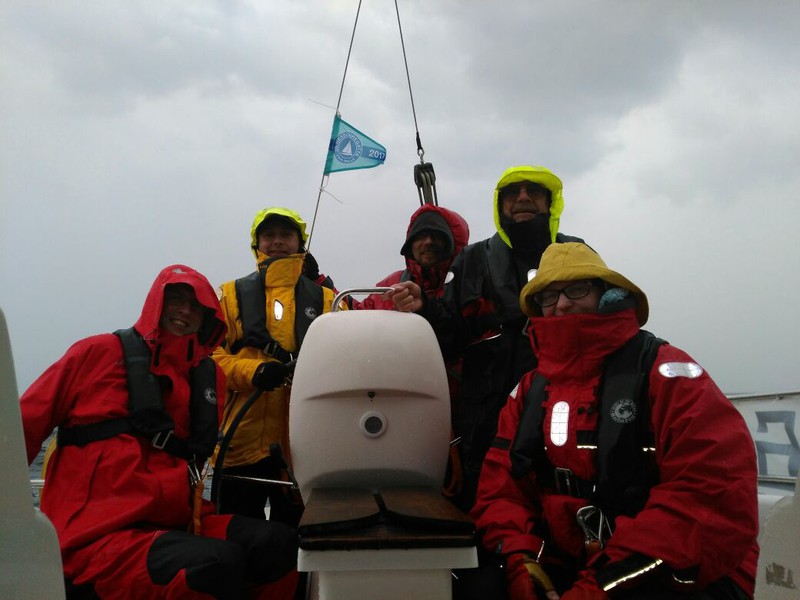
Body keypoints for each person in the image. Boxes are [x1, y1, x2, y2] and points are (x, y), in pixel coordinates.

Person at [468, 242, 758, 600]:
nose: (561, 303)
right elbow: (500, 489)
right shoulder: (530, 390)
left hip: (669, 571)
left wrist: (600, 586)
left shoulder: (665, 373)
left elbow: (712, 497)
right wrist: (521, 560)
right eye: (548, 295)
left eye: (576, 289)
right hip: (570, 566)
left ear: (607, 296)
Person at [20, 264, 299, 599]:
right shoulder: (94, 354)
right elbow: (21, 425)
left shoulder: (208, 379)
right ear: (155, 304)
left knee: (280, 545)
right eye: (175, 300)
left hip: (176, 524)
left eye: (196, 306)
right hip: (93, 537)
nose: (185, 311)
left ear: (208, 318)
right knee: (212, 567)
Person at [389, 165, 583, 512]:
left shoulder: (577, 254)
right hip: (486, 413)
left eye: (533, 192)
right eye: (512, 194)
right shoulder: (473, 259)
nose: (522, 199)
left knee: (564, 493)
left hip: (565, 402)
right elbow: (448, 336)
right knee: (489, 501)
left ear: (551, 202)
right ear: (500, 204)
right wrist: (425, 309)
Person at [212, 207, 343, 525]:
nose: (277, 241)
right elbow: (210, 357)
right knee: (239, 537)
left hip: (305, 446)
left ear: (301, 242)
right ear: (256, 243)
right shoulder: (229, 296)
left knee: (301, 539)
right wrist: (253, 372)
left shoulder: (329, 301)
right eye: (269, 235)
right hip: (239, 446)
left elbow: (346, 360)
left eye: (286, 234)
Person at [355, 203, 470, 497]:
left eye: (437, 236)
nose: (428, 241)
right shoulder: (388, 288)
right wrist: (317, 286)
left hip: (461, 417)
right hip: (396, 414)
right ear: (409, 244)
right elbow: (350, 318)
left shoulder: (467, 287)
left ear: (452, 243)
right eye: (421, 235)